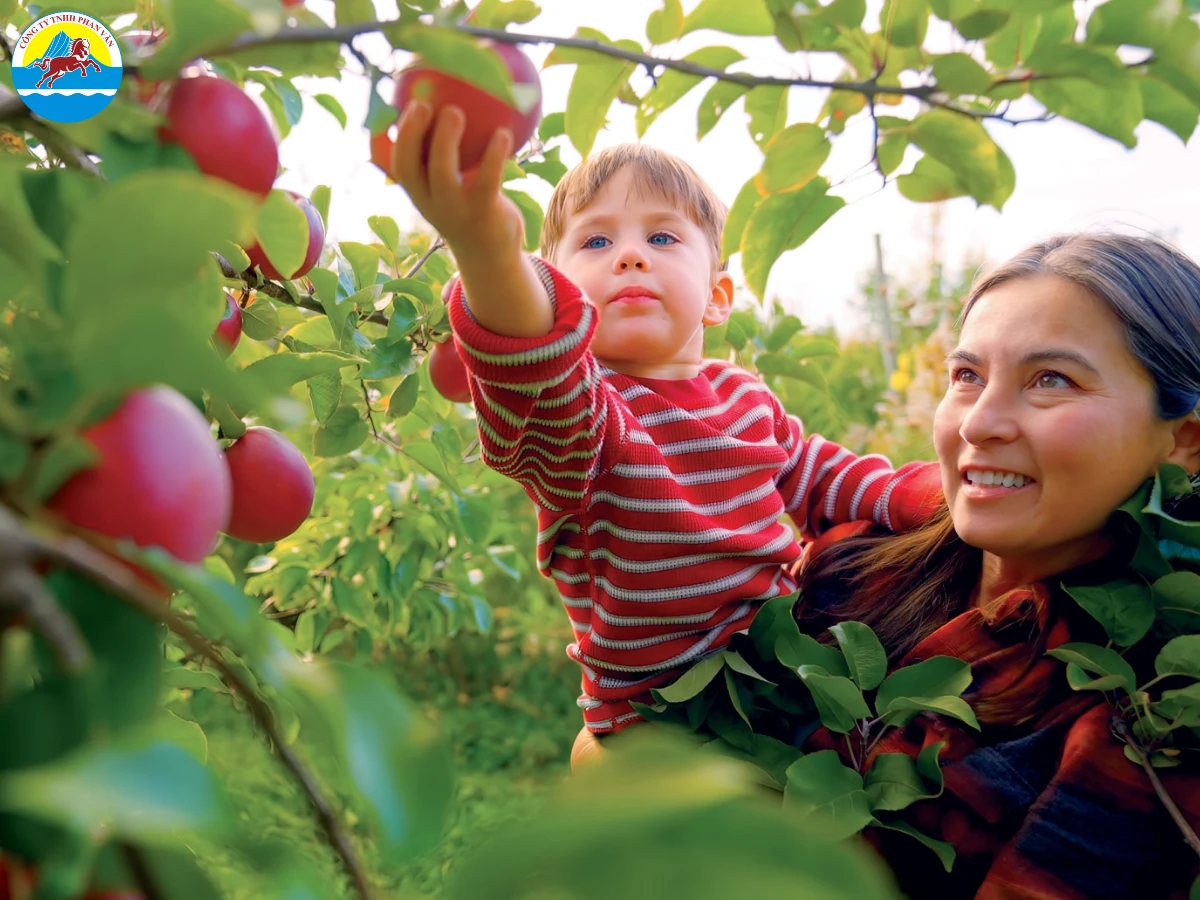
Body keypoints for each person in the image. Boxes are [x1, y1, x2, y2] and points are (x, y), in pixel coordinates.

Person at [390, 102, 942, 745]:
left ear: (716, 297)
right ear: (557, 294)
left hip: (780, 674)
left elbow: (826, 477)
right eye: (596, 241)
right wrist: (484, 245)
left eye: (661, 237)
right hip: (659, 725)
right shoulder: (592, 416)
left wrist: (931, 498)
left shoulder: (744, 396)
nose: (629, 256)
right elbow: (534, 372)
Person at [786, 233, 1200, 898]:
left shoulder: (1159, 714)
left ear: (1183, 440)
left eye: (1051, 380)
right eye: (967, 376)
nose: (979, 423)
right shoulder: (847, 569)